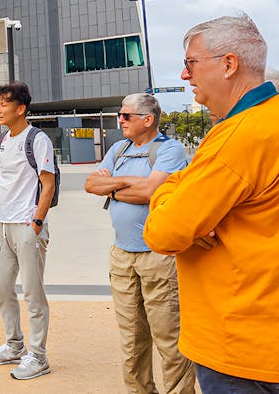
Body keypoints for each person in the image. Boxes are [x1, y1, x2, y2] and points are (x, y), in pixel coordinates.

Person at [144, 13, 279, 392]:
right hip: (272, 330)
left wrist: (166, 190)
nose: (184, 75)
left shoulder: (238, 136)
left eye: (191, 63)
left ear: (228, 64)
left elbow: (164, 231)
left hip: (237, 342)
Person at [85, 93, 195, 393]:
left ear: (147, 120)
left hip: (158, 257)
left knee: (169, 339)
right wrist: (126, 186)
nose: (119, 120)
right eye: (119, 116)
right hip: (122, 256)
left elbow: (151, 191)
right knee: (132, 339)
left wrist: (113, 186)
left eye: (125, 116)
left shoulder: (169, 150)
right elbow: (90, 184)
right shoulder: (119, 149)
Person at [0, 81, 56, 380]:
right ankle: (15, 345)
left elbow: (48, 184)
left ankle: (38, 356)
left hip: (28, 227)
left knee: (32, 293)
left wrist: (37, 222)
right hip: (3, 226)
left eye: (4, 104)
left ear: (21, 108)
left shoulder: (37, 139)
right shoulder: (0, 141)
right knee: (0, 288)